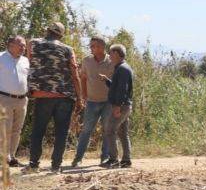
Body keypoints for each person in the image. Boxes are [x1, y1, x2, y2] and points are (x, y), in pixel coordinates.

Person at [26, 22, 83, 173]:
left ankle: (33, 165)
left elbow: (28, 61)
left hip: (42, 95)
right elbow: (75, 75)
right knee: (61, 132)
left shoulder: (33, 44)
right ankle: (56, 167)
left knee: (38, 130)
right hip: (64, 96)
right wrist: (80, 98)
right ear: (61, 35)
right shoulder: (67, 49)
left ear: (47, 30)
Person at [71, 36, 115, 167]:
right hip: (92, 102)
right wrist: (84, 95)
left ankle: (105, 158)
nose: (91, 48)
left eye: (93, 46)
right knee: (86, 130)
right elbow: (83, 78)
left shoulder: (112, 61)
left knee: (107, 130)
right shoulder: (87, 60)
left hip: (108, 102)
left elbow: (117, 82)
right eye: (90, 46)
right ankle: (78, 159)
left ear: (102, 47)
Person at [99, 44, 134, 168]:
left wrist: (117, 106)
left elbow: (122, 90)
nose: (109, 56)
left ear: (117, 54)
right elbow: (117, 86)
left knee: (110, 130)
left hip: (122, 106)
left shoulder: (122, 69)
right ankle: (126, 160)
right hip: (125, 105)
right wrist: (107, 81)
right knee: (123, 133)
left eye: (111, 53)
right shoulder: (122, 68)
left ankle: (113, 159)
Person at [0, 36, 29, 166]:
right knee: (5, 129)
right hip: (4, 98)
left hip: (22, 100)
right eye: (21, 45)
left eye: (24, 45)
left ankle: (11, 156)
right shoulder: (1, 57)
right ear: (10, 45)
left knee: (17, 129)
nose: (23, 47)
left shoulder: (26, 61)